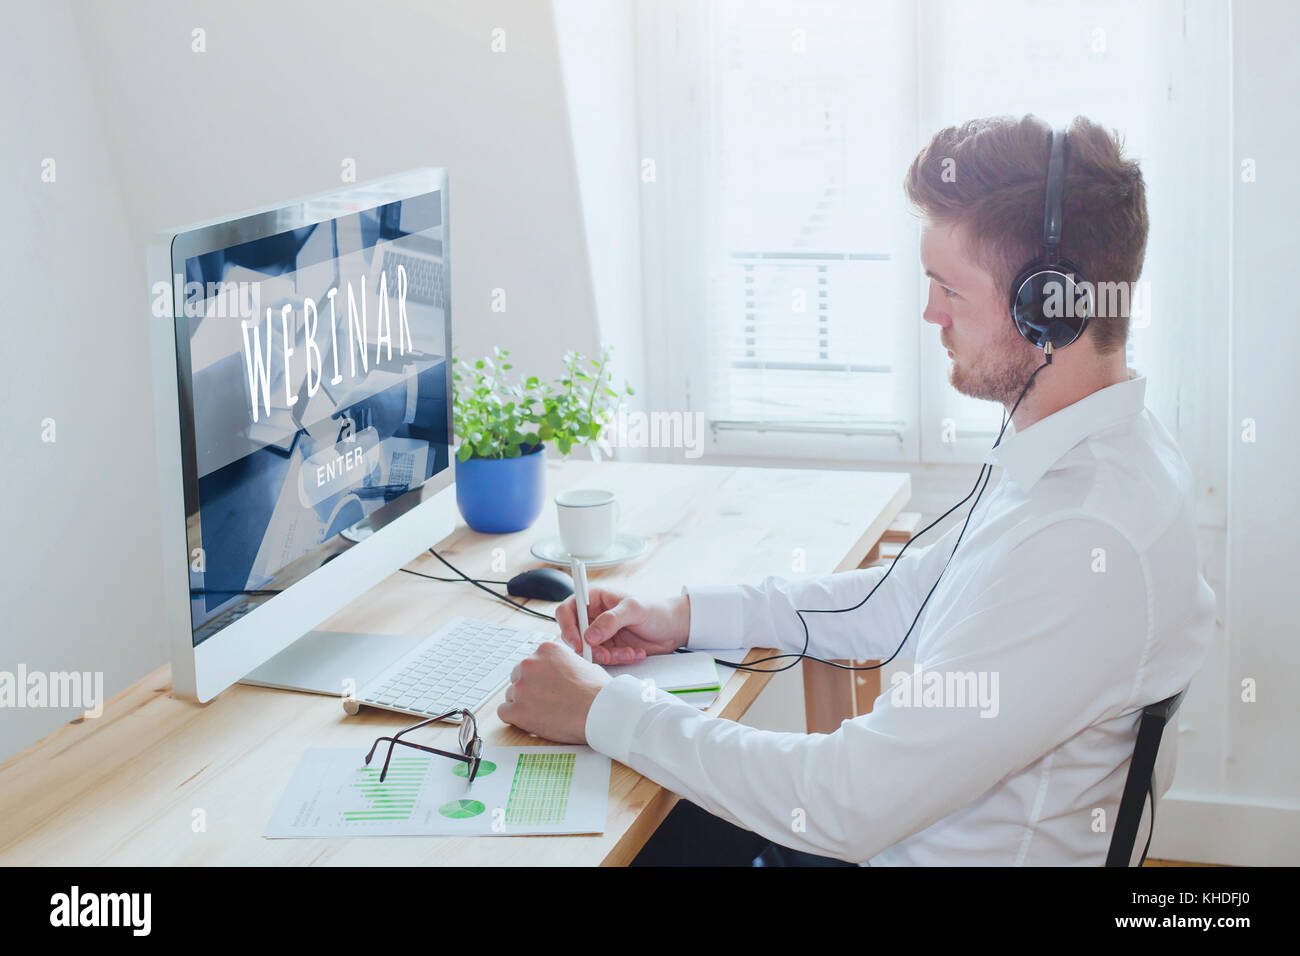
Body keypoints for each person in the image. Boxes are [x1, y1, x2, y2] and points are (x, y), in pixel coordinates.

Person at [496, 114, 1216, 866]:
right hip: (896, 834)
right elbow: (902, 602)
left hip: (885, 844)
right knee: (646, 803)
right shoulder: (1091, 457)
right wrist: (687, 616)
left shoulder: (1083, 536)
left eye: (949, 289)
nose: (930, 313)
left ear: (1046, 309)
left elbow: (842, 804)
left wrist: (602, 710)